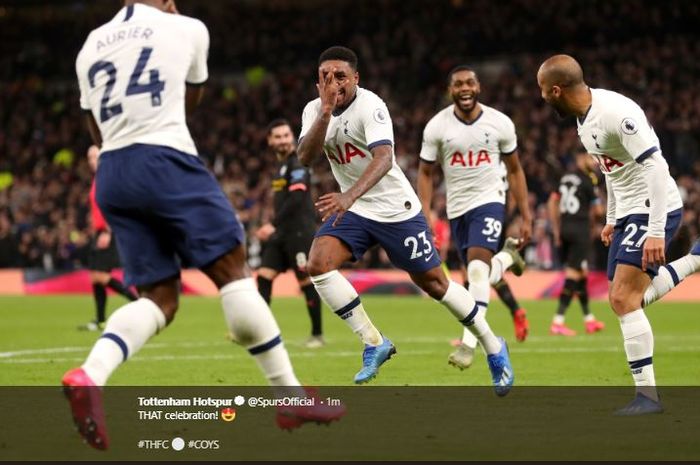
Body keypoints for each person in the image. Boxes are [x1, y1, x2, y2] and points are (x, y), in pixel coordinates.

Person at [64, 0, 343, 450]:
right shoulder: (187, 28)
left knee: (159, 297)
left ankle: (89, 374)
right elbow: (187, 101)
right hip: (164, 157)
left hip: (112, 172)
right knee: (233, 271)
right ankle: (289, 397)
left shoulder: (90, 45)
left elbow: (96, 131)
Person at [297, 45, 515, 393]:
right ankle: (373, 342)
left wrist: (349, 195)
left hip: (395, 210)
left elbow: (384, 159)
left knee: (435, 285)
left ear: (356, 78)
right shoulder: (313, 110)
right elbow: (305, 157)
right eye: (326, 77)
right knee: (318, 264)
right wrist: (324, 112)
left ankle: (492, 345)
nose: (333, 83)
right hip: (354, 210)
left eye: (340, 76)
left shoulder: (372, 106)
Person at [537, 54, 695, 415]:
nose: (542, 98)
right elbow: (612, 171)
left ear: (557, 90)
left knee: (624, 299)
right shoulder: (583, 120)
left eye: (544, 91)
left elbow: (656, 166)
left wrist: (656, 231)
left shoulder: (615, 113)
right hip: (629, 210)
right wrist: (612, 216)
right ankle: (693, 261)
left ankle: (648, 397)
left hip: (654, 206)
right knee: (625, 299)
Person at [417, 66, 532, 370]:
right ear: (450, 89)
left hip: (491, 200)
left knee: (477, 273)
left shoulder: (499, 123)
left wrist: (525, 213)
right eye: (458, 84)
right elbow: (425, 173)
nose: (464, 88)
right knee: (476, 277)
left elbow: (516, 170)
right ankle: (507, 259)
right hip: (457, 210)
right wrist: (424, 214)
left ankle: (470, 343)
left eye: (469, 82)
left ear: (478, 86)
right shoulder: (437, 127)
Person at [255, 119, 324, 348]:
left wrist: (272, 224)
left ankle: (317, 335)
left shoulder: (298, 163)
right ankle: (260, 332)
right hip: (282, 233)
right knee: (264, 276)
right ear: (270, 141)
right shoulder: (281, 167)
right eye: (278, 137)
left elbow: (296, 199)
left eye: (286, 135)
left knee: (304, 281)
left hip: (298, 233)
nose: (283, 140)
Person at [547, 149, 606, 336]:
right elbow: (597, 211)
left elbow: (552, 201)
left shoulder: (565, 178)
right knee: (573, 272)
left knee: (582, 274)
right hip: (580, 230)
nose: (595, 163)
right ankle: (558, 321)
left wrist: (556, 229)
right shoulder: (590, 180)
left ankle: (589, 320)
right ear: (581, 158)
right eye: (591, 158)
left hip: (565, 228)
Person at [79, 145, 138, 332]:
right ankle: (100, 320)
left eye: (95, 157)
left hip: (107, 232)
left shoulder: (107, 177)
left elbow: (114, 204)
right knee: (95, 279)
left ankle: (139, 302)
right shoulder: (98, 179)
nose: (91, 161)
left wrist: (107, 231)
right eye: (89, 158)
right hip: (99, 231)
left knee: (101, 277)